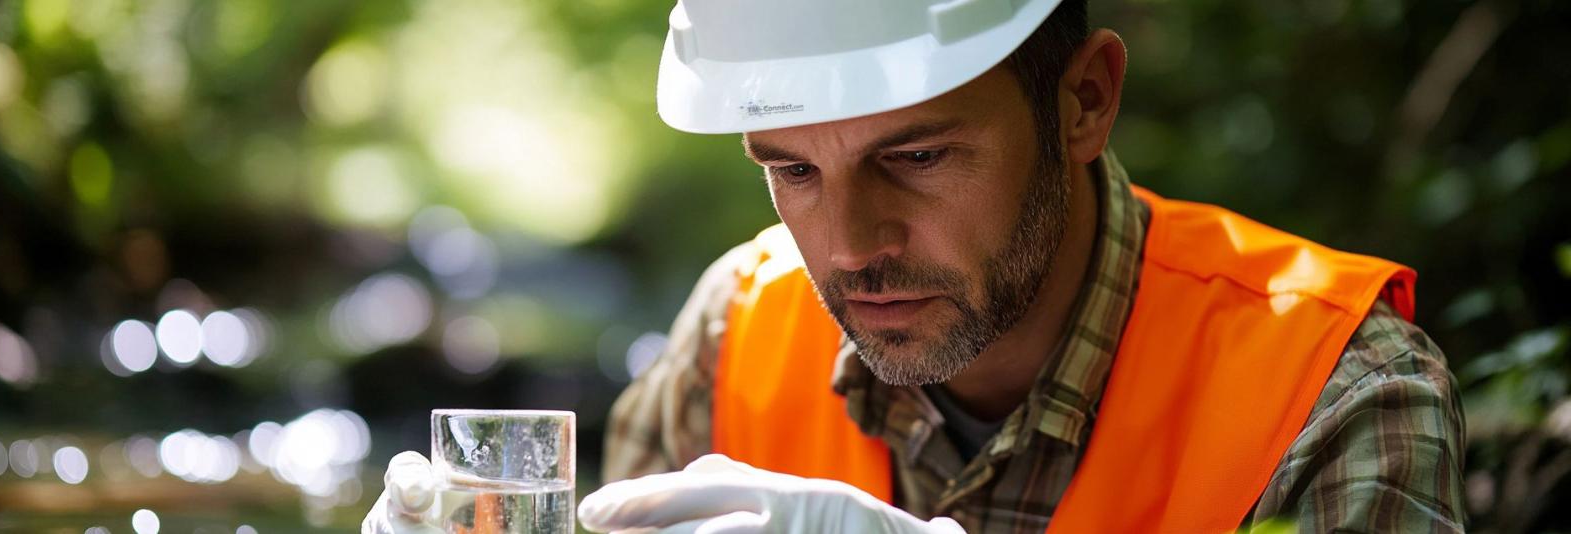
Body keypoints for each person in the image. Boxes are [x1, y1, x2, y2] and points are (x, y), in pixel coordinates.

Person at [365, 0, 1465, 532]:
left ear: (1083, 100)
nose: (849, 247)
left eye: (919, 155)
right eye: (790, 170)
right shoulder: (733, 337)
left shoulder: (1329, 393)